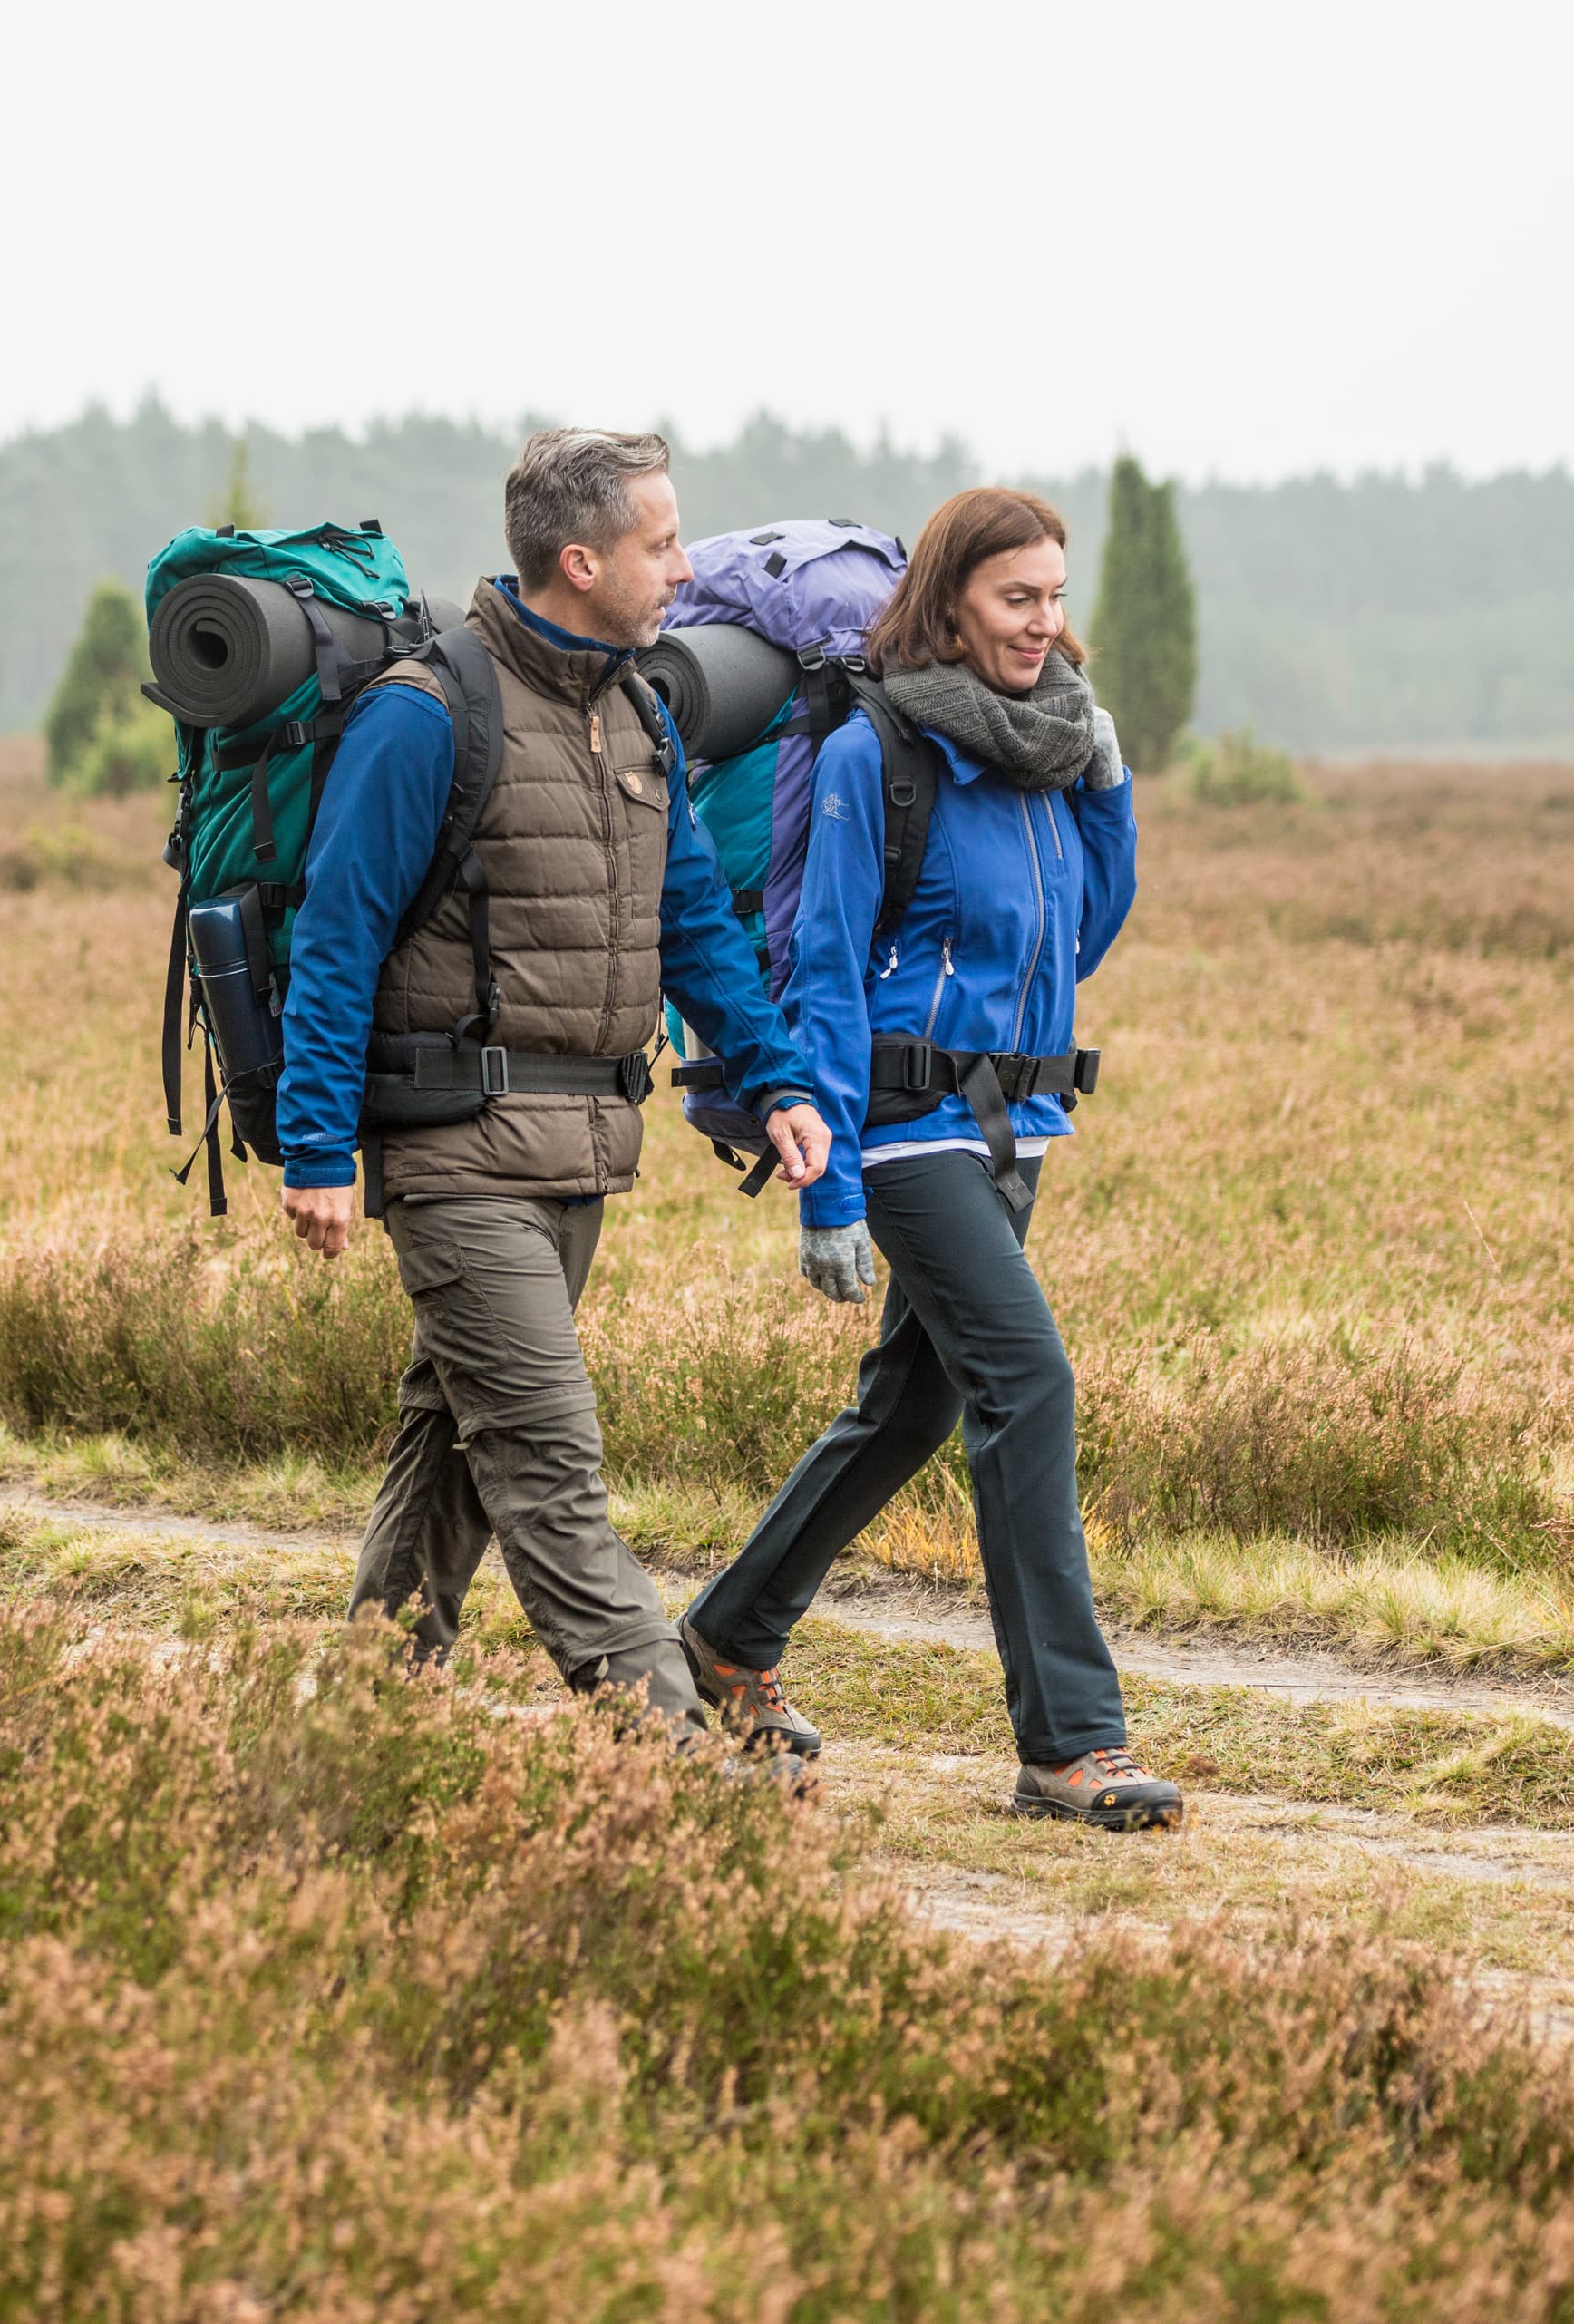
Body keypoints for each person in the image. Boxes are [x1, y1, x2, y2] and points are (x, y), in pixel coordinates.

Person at [276, 428, 831, 1738]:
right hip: (455, 1149)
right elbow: (337, 936)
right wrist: (315, 1148)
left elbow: (693, 924)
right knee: (546, 1461)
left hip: (581, 1149)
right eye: (661, 545)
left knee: (450, 1451)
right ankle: (677, 1758)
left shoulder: (636, 712)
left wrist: (778, 1081)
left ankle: (358, 1719)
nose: (685, 570)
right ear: (581, 562)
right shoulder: (426, 713)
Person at [678, 486, 1184, 1832]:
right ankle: (1070, 1744)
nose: (1043, 622)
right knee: (1028, 1381)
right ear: (952, 600)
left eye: (1056, 597)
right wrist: (829, 1190)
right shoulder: (877, 751)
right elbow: (825, 972)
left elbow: (1081, 935)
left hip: (1017, 1129)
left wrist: (1107, 789)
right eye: (1017, 597)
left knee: (910, 1408)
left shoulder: (1042, 748)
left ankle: (726, 1639)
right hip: (905, 1134)